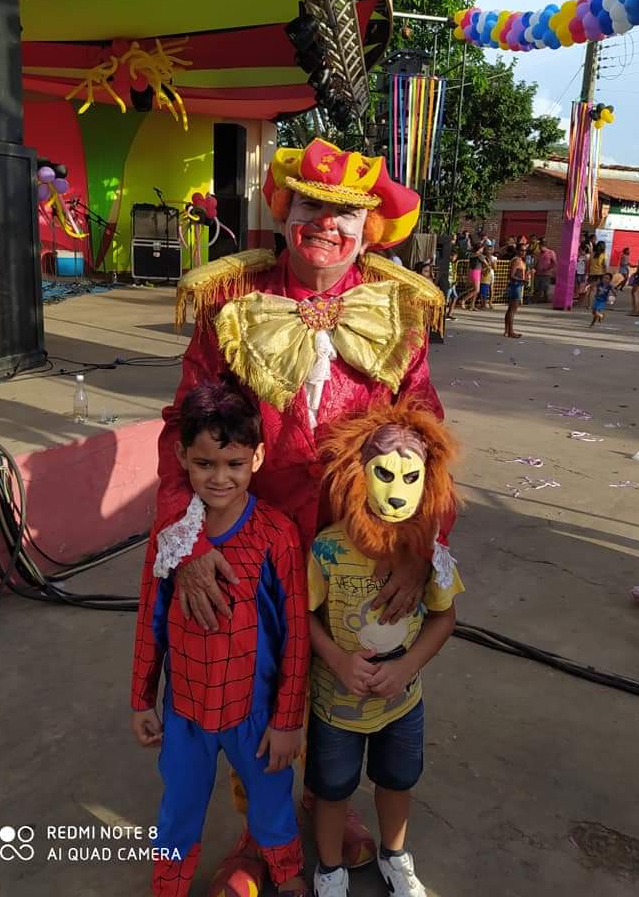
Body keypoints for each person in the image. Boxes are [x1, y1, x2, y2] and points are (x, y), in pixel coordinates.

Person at [146, 137, 448, 896]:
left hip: (360, 546)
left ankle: (327, 802)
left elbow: (425, 432)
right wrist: (187, 544)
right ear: (284, 212)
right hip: (249, 540)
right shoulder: (229, 301)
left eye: (347, 212)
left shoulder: (397, 309)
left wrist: (420, 550)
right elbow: (181, 426)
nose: (329, 225)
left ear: (370, 228)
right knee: (254, 689)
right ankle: (260, 835)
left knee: (347, 684)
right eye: (314, 206)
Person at [131, 382, 310, 897]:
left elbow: (296, 633)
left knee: (271, 802)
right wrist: (142, 699)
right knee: (179, 809)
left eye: (234, 463)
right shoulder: (172, 536)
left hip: (255, 715)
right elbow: (151, 619)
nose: (219, 477)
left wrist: (286, 721)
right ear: (183, 457)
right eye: (205, 464)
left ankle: (288, 874)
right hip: (185, 711)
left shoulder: (276, 534)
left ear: (257, 456)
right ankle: (168, 884)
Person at [305, 405, 463, 897]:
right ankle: (329, 869)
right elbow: (302, 614)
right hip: (335, 704)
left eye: (411, 476)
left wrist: (410, 665)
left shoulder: (427, 555)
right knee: (331, 790)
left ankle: (397, 856)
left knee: (398, 781)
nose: (397, 490)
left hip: (403, 702)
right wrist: (335, 658)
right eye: (384, 473)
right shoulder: (327, 550)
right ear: (358, 475)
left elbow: (445, 615)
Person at [504, 247, 526, 339]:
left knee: (510, 309)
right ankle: (510, 331)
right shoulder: (516, 260)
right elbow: (511, 275)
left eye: (525, 250)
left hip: (517, 285)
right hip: (515, 285)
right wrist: (522, 280)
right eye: (521, 250)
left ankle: (507, 330)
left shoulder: (520, 260)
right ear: (517, 250)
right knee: (512, 309)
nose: (523, 252)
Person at [462, 244, 485, 311]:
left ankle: (472, 305)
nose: (482, 249)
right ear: (479, 248)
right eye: (482, 248)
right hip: (476, 272)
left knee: (475, 290)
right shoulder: (480, 255)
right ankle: (464, 300)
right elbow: (486, 263)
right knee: (476, 290)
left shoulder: (471, 255)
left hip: (472, 271)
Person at [586, 240, 608, 308]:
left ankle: (589, 305)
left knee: (591, 290)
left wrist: (588, 272)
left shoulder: (592, 254)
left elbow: (588, 264)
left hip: (592, 273)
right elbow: (604, 265)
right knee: (600, 290)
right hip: (600, 274)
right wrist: (606, 274)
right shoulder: (603, 255)